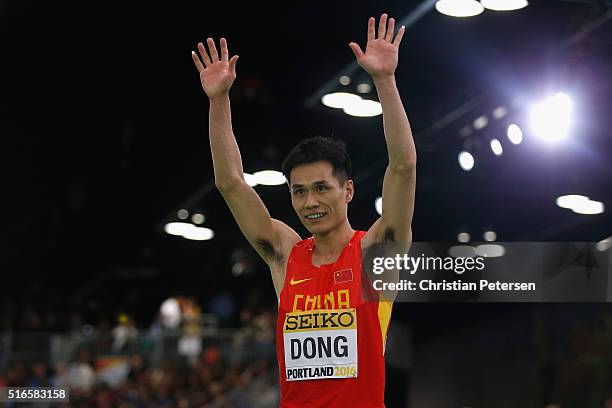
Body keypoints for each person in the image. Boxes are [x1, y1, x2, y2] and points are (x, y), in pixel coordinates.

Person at [191, 12, 416, 407]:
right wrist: (219, 101)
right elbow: (230, 183)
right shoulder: (285, 255)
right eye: (298, 192)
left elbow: (403, 167)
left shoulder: (374, 253)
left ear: (347, 190)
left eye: (320, 189)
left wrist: (385, 80)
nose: (309, 202)